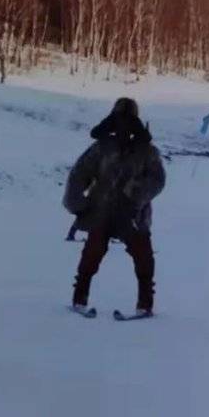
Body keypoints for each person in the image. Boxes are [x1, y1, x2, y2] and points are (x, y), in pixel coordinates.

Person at [63, 98, 166, 316]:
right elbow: (79, 174)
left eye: (128, 120)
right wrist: (76, 202)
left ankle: (145, 305)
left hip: (133, 214)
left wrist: (136, 194)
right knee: (91, 255)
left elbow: (158, 180)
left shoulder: (146, 151)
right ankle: (79, 299)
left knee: (143, 257)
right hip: (101, 210)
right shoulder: (102, 148)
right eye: (119, 120)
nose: (123, 125)